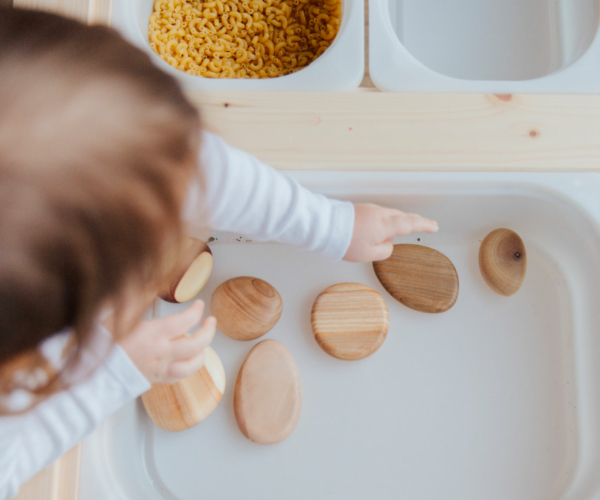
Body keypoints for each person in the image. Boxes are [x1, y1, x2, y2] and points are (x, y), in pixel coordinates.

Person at [0, 8, 438, 498]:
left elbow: (186, 168)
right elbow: (15, 458)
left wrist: (330, 225)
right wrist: (114, 371)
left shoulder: (66, 139)